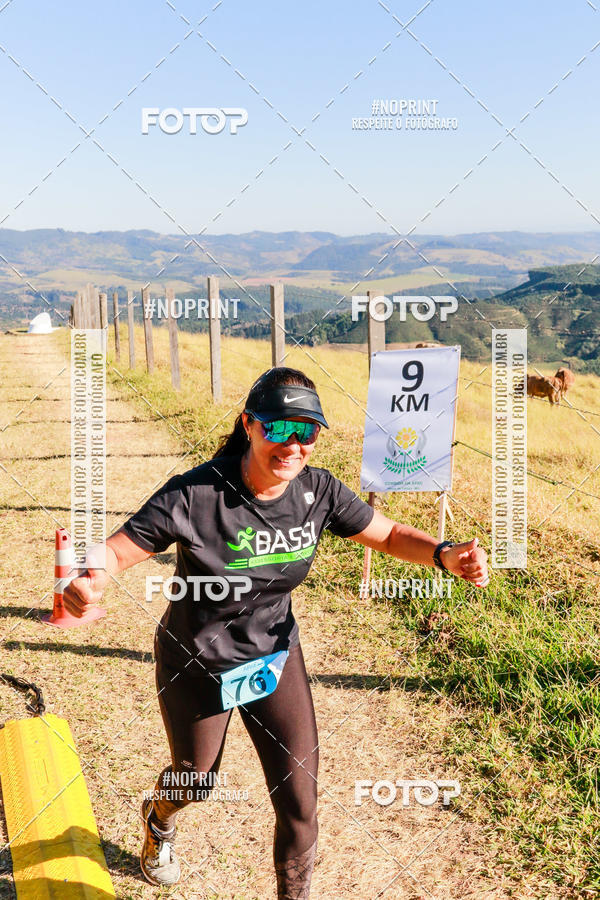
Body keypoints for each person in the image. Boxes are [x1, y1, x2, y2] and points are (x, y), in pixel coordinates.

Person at [64, 366, 489, 898]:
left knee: (300, 806)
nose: (292, 445)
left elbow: (389, 535)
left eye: (306, 431)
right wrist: (89, 579)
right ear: (249, 425)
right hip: (199, 662)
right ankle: (159, 815)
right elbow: (116, 549)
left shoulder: (318, 491)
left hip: (273, 654)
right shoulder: (195, 494)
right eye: (277, 428)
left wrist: (443, 555)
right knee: (195, 781)